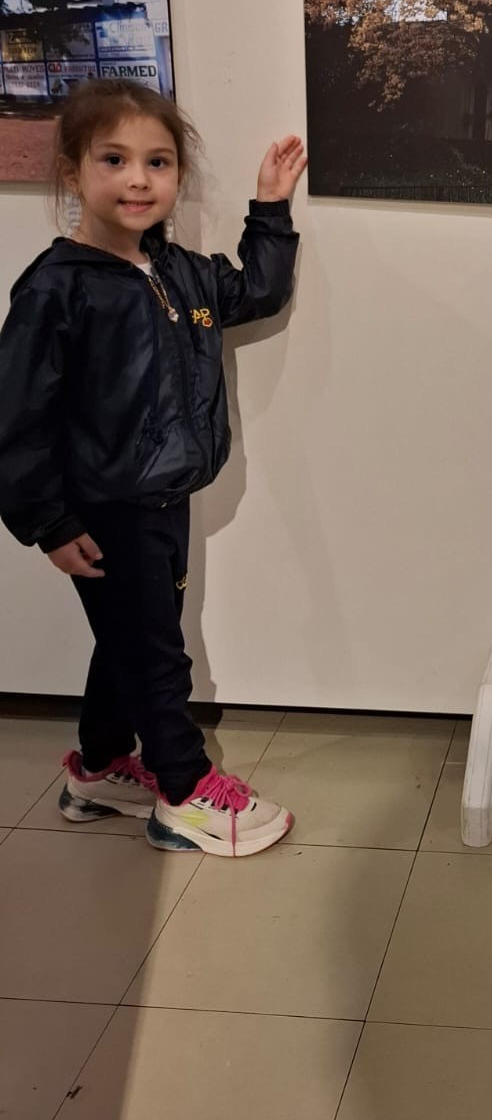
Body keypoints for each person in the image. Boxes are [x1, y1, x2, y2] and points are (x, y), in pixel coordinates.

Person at [0, 79, 307, 858]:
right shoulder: (57, 287)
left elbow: (259, 290)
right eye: (114, 159)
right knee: (155, 653)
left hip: (167, 498)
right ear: (72, 173)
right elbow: (17, 417)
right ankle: (184, 790)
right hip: (104, 509)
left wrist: (270, 207)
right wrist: (47, 522)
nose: (138, 179)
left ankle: (99, 768)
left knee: (131, 639)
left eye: (158, 162)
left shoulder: (182, 274)